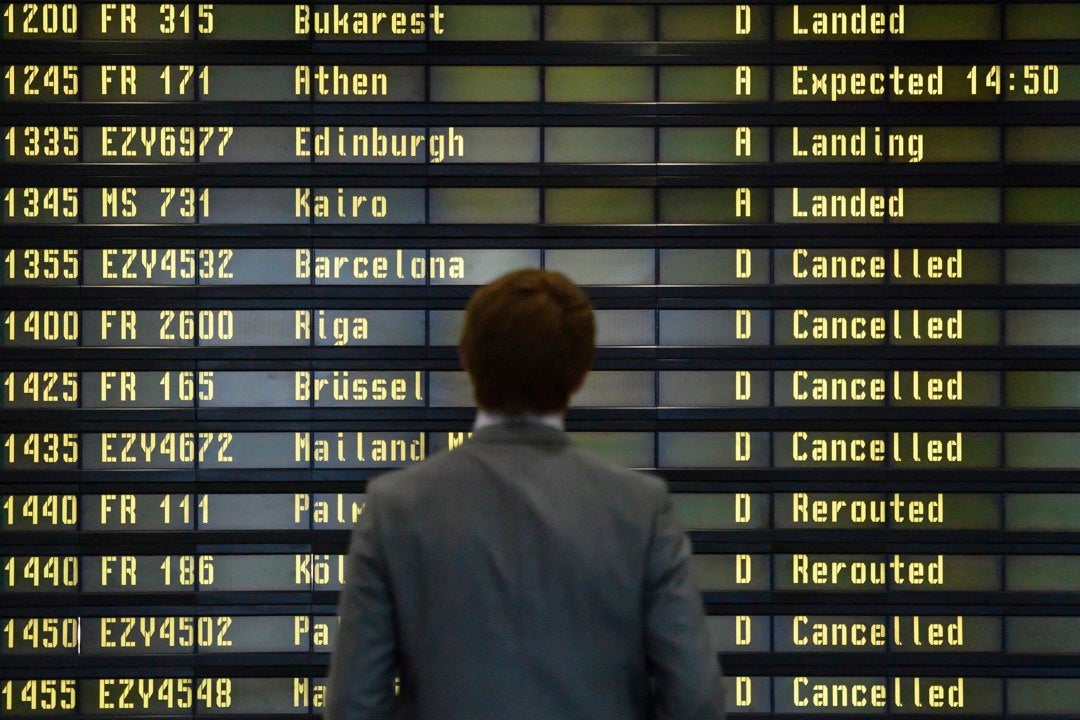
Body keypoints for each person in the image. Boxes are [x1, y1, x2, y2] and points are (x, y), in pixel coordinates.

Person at [325, 268, 724, 720]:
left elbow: (353, 706)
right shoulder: (641, 509)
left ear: (467, 360)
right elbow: (696, 702)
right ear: (580, 372)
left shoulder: (393, 506)